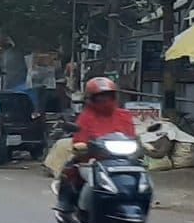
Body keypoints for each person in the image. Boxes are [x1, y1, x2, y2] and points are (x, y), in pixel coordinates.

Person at [58, 77, 139, 214]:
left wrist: (138, 145)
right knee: (89, 179)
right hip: (94, 161)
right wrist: (83, 146)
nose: (104, 100)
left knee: (141, 179)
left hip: (122, 161)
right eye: (100, 97)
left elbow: (131, 136)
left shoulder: (124, 115)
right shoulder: (86, 117)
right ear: (91, 99)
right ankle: (83, 212)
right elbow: (79, 139)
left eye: (107, 96)